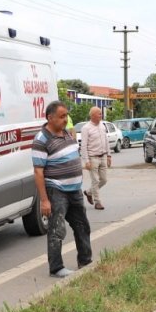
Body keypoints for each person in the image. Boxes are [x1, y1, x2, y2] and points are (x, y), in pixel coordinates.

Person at [32, 101, 93, 277]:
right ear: (50, 118)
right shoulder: (41, 140)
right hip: (56, 190)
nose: (65, 119)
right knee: (57, 230)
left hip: (74, 190)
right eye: (61, 116)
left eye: (66, 115)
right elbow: (38, 172)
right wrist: (44, 200)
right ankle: (56, 268)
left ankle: (85, 261)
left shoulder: (66, 133)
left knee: (82, 226)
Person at [79, 106, 110, 210]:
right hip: (93, 158)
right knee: (95, 180)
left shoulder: (102, 125)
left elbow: (106, 141)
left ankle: (88, 192)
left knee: (104, 180)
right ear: (92, 116)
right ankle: (97, 202)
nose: (101, 115)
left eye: (101, 113)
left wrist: (109, 155)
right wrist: (86, 161)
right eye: (99, 114)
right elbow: (83, 146)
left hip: (103, 156)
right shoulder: (86, 128)